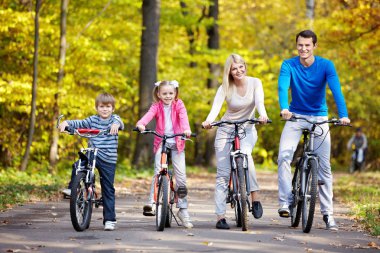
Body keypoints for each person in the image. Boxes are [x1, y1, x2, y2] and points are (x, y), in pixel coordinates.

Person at [277, 30, 351, 231]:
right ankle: (285, 201)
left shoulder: (326, 65)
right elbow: (283, 87)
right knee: (284, 155)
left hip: (319, 117)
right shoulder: (289, 65)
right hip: (295, 116)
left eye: (307, 45)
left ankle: (328, 215)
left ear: (315, 46)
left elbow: (336, 89)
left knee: (325, 167)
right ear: (296, 45)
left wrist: (343, 115)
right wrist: (284, 108)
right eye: (300, 45)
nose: (303, 49)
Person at [202, 53, 269, 229]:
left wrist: (263, 115)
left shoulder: (256, 82)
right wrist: (209, 120)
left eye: (241, 66)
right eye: (234, 68)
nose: (238, 70)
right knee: (223, 174)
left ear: (245, 66)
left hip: (247, 128)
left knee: (246, 155)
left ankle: (255, 198)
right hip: (226, 128)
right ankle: (220, 217)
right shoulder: (225, 87)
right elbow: (216, 107)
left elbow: (260, 102)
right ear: (229, 72)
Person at [58, 93, 124, 231]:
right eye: (101, 107)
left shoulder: (114, 119)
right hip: (92, 153)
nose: (104, 109)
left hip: (108, 158)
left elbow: (120, 122)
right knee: (78, 164)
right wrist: (67, 123)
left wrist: (116, 125)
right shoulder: (92, 120)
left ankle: (110, 219)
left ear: (113, 108)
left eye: (108, 107)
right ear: (96, 108)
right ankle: (73, 189)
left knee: (108, 188)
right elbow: (79, 123)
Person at [136, 80, 194, 229]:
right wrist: (141, 124)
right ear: (158, 94)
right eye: (164, 93)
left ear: (175, 93)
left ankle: (183, 209)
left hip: (177, 142)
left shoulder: (179, 104)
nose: (168, 96)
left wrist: (186, 130)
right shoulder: (156, 106)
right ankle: (152, 203)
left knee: (181, 176)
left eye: (171, 93)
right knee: (157, 171)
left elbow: (183, 118)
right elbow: (148, 116)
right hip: (161, 141)